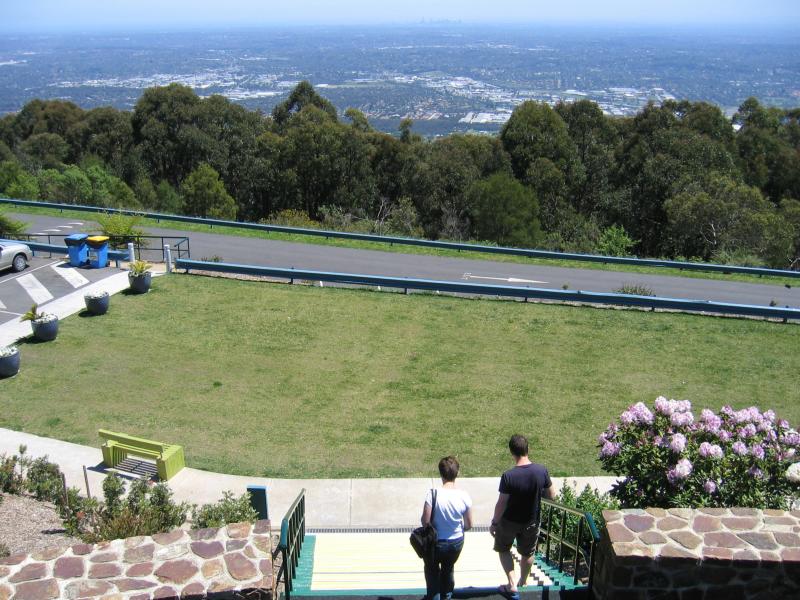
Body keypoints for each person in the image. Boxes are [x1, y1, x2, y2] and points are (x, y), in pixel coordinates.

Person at [490, 434, 554, 598]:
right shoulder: (541, 471)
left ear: (511, 452)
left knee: (503, 549)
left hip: (509, 521)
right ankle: (523, 581)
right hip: (531, 521)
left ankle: (511, 583)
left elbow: (501, 503)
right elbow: (552, 496)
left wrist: (495, 522)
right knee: (528, 553)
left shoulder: (508, 476)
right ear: (528, 449)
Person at [420, 455, 473, 600]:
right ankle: (447, 596)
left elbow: (425, 522)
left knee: (431, 571)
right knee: (448, 569)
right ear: (457, 473)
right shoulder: (464, 496)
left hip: (435, 544)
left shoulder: (432, 494)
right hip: (456, 543)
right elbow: (469, 525)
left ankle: (434, 596)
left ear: (440, 473)